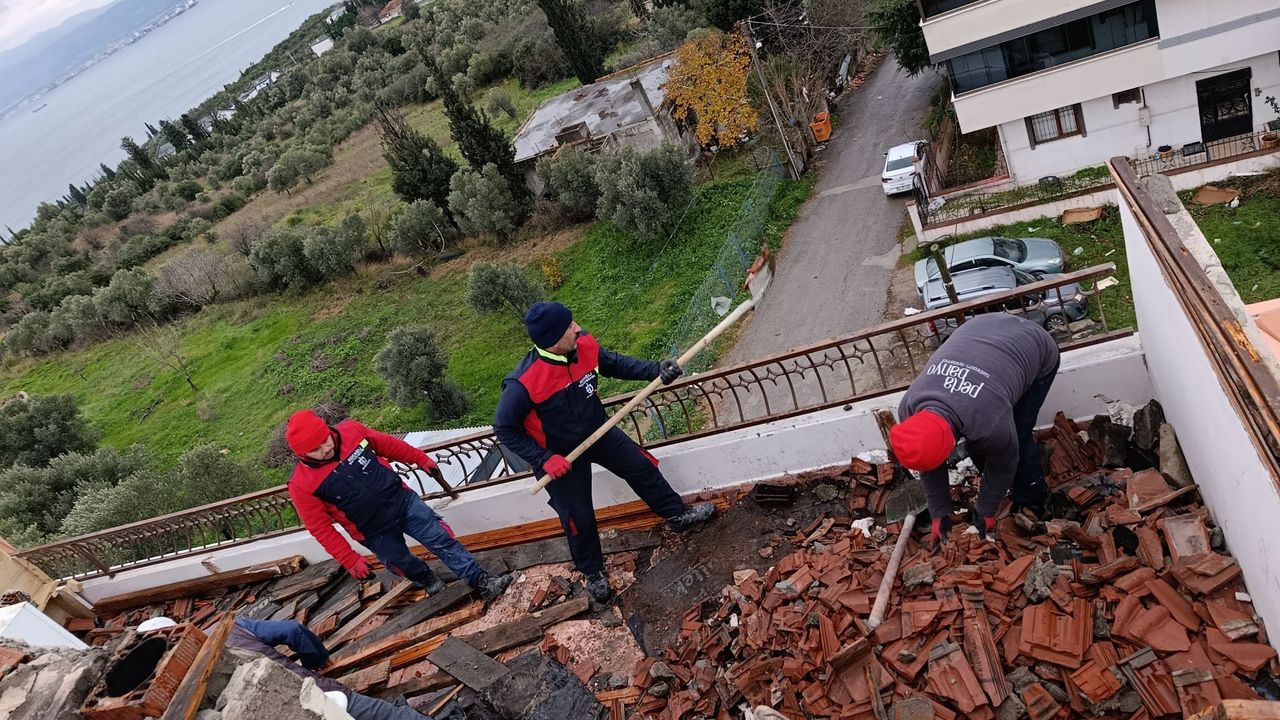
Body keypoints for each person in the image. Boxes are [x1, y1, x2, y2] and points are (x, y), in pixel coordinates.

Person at [494, 302, 716, 602]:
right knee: (578, 515)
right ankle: (592, 571)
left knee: (641, 467)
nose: (577, 328)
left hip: (598, 431)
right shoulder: (522, 384)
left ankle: (677, 515)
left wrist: (655, 371)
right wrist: (544, 459)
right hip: (560, 456)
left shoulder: (584, 345)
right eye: (569, 326)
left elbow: (614, 363)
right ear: (552, 339)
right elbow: (505, 430)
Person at [285, 410, 511, 601]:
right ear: (301, 454)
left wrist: (419, 458)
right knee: (400, 562)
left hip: (403, 501)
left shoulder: (352, 432)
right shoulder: (301, 485)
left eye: (325, 440)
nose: (325, 449)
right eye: (315, 450)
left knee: (441, 539)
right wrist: (349, 559)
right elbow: (320, 528)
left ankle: (482, 582)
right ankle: (426, 578)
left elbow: (388, 445)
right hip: (373, 531)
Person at [889, 313, 1060, 546]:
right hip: (981, 330)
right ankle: (997, 484)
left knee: (1018, 436)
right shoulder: (909, 407)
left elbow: (1005, 462)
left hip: (1035, 346)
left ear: (950, 445)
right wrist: (939, 512)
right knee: (983, 445)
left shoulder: (989, 421)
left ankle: (1034, 497)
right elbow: (928, 462)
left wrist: (986, 511)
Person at [136, 616, 426, 719]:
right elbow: (292, 630)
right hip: (313, 692)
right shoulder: (231, 628)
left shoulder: (161, 696)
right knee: (385, 714)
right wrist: (315, 661)